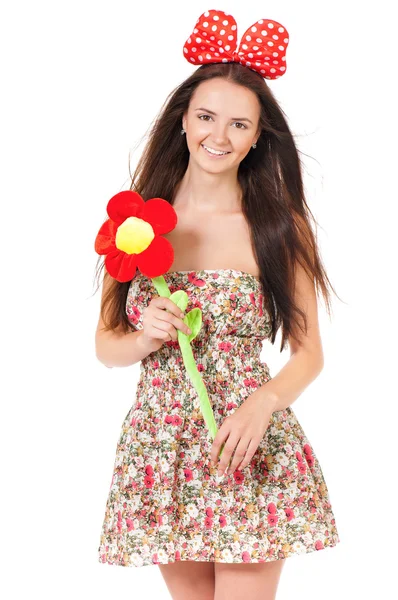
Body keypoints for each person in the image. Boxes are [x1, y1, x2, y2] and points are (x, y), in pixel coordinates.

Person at [94, 10, 341, 600]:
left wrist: (263, 406)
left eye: (238, 124)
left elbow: (309, 356)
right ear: (183, 120)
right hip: (162, 444)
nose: (218, 136)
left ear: (258, 137)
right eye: (206, 117)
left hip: (244, 440)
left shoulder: (278, 227)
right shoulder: (135, 222)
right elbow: (106, 346)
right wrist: (146, 336)